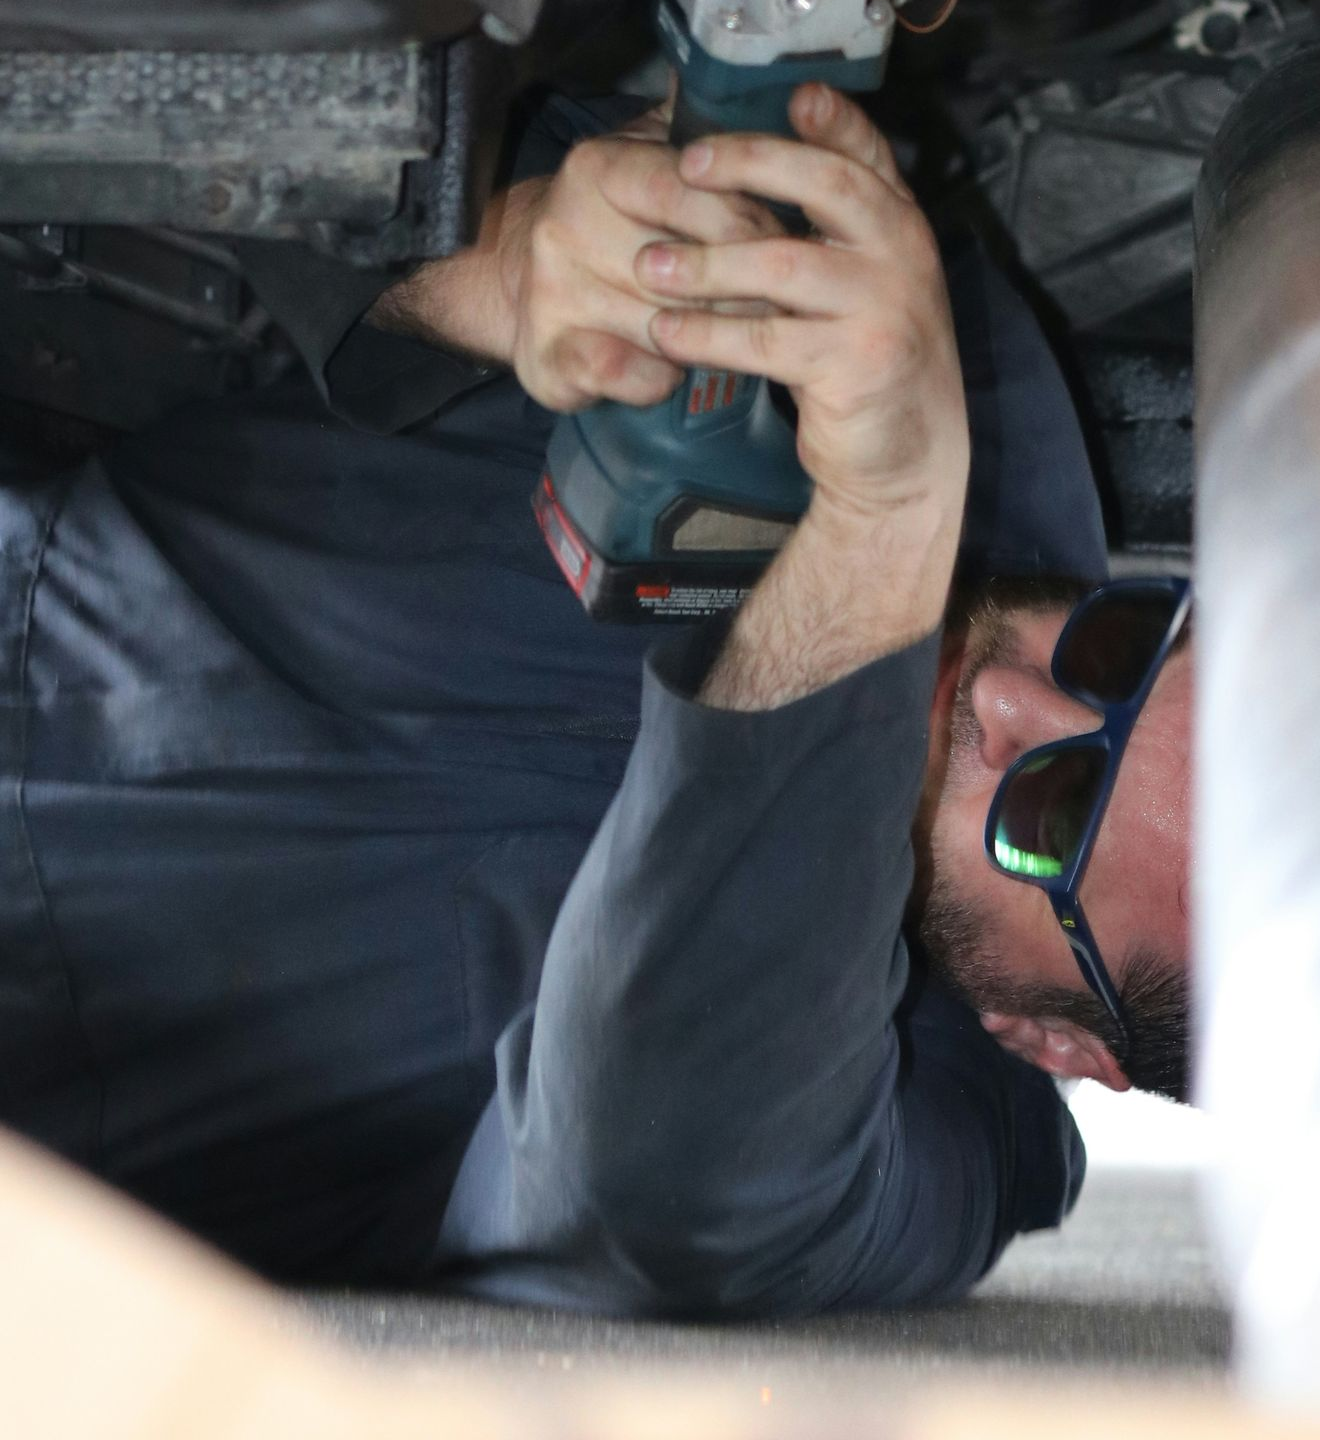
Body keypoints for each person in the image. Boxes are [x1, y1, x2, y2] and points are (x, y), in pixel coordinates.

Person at [0, 82, 1192, 1312]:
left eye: (1051, 812)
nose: (1007, 695)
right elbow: (236, 119)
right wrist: (497, 256)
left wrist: (875, 547)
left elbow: (665, 1193)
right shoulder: (952, 379)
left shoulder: (942, 1144)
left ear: (1060, 1041)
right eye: (1120, 652)